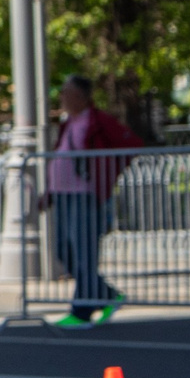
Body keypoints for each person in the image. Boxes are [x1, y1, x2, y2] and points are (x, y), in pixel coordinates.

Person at [45, 74, 141, 327]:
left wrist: (105, 177)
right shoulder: (69, 123)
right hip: (63, 195)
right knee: (63, 250)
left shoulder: (97, 121)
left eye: (66, 93)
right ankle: (107, 295)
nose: (62, 98)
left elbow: (129, 144)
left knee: (84, 253)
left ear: (80, 97)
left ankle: (82, 311)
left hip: (84, 195)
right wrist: (49, 192)